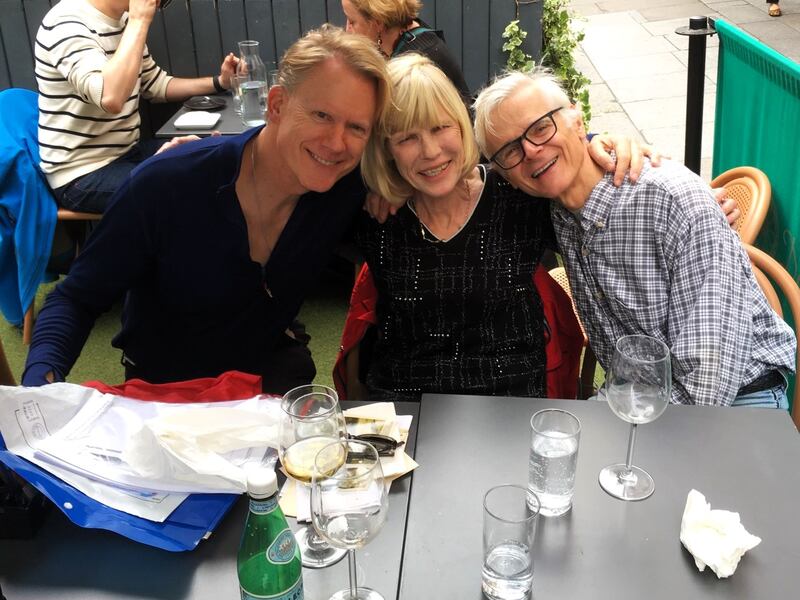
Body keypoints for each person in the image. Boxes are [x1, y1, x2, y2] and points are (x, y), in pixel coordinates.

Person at [22, 26, 391, 394]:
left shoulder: (346, 187)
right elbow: (76, 298)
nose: (337, 142)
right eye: (322, 115)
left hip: (266, 384)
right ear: (276, 105)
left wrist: (398, 188)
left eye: (356, 127)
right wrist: (41, 388)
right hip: (166, 391)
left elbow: (427, 148)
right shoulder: (168, 185)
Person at [473, 69, 797, 408]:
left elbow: (708, 384)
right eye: (510, 150)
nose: (531, 151)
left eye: (541, 127)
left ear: (577, 120)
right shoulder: (552, 210)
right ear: (504, 173)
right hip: (639, 397)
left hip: (737, 398)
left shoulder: (671, 201)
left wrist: (623, 425)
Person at [348, 54, 655, 402]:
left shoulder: (517, 194)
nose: (430, 151)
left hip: (512, 405)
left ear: (462, 124)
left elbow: (573, 172)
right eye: (406, 138)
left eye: (439, 127)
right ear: (386, 149)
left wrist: (604, 141)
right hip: (406, 410)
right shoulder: (375, 216)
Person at [35, 0, 238, 214]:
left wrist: (220, 82)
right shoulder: (66, 24)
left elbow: (156, 85)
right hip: (82, 174)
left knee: (217, 157)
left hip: (128, 153)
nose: (159, 5)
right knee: (186, 188)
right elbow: (110, 97)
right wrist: (138, 22)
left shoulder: (124, 22)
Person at [341, 0, 471, 100]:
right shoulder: (410, 32)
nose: (347, 30)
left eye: (352, 21)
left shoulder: (417, 65)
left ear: (378, 23)